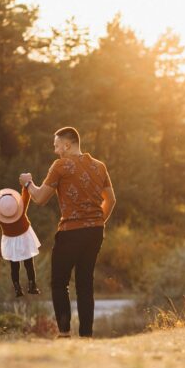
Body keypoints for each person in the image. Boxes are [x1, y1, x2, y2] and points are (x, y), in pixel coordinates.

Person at [19, 127, 116, 338]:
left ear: (67, 144)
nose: (55, 151)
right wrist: (96, 221)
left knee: (59, 283)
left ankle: (64, 334)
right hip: (95, 232)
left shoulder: (61, 166)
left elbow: (40, 198)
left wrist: (28, 183)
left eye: (56, 146)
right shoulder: (99, 166)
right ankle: (86, 336)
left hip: (71, 232)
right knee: (84, 283)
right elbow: (111, 200)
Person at [0, 187, 41, 297]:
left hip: (11, 240)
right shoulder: (20, 210)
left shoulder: (0, 216)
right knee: (29, 263)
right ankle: (32, 286)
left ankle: (17, 288)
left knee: (14, 266)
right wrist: (25, 186)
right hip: (24, 237)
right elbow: (25, 197)